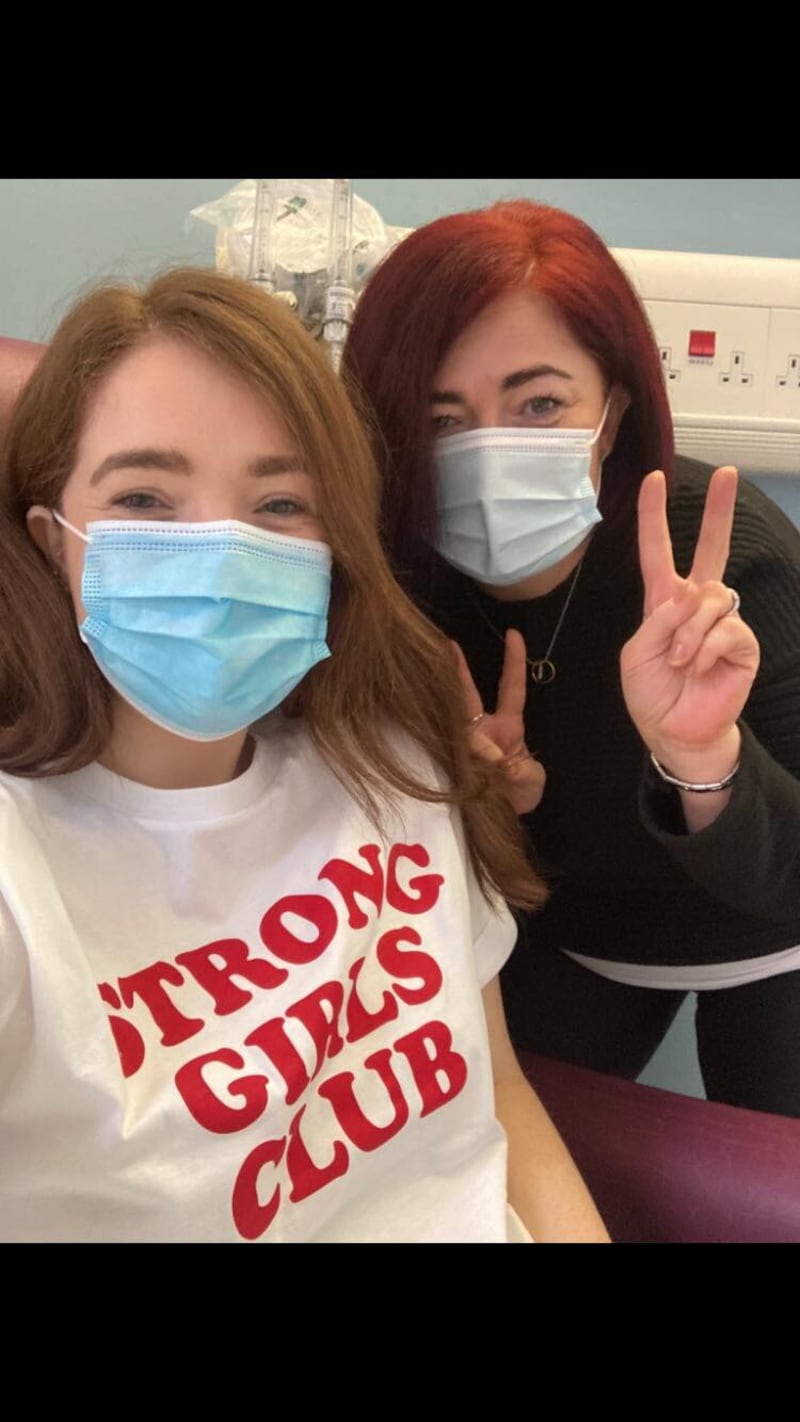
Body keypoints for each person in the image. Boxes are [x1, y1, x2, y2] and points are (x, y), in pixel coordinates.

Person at [0, 266, 609, 1243]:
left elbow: (497, 1098)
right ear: (51, 539)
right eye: (146, 497)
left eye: (280, 504)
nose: (222, 549)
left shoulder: (393, 766)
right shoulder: (18, 877)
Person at [343, 199, 800, 1118]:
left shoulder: (722, 551)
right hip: (571, 941)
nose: (485, 450)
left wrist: (705, 764)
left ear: (613, 406)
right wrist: (479, 815)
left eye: (540, 403)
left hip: (778, 929)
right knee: (491, 1147)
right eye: (441, 420)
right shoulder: (397, 588)